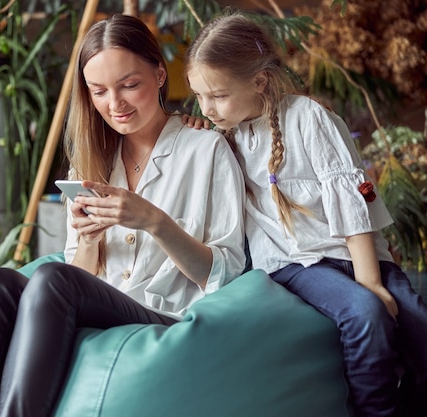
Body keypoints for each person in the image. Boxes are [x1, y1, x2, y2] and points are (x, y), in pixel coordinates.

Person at [0, 14, 246, 417]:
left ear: (159, 74)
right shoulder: (91, 162)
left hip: (166, 313)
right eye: (99, 91)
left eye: (130, 85)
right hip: (100, 301)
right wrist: (89, 239)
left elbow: (226, 272)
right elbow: (76, 275)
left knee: (51, 278)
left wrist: (153, 221)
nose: (115, 105)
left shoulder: (205, 150)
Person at [183, 11, 427, 417]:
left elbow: (352, 199)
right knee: (364, 314)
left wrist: (372, 279)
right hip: (295, 263)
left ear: (259, 81)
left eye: (218, 95)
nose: (206, 108)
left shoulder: (307, 117)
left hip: (355, 254)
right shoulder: (224, 135)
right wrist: (195, 120)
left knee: (417, 323)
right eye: (199, 96)